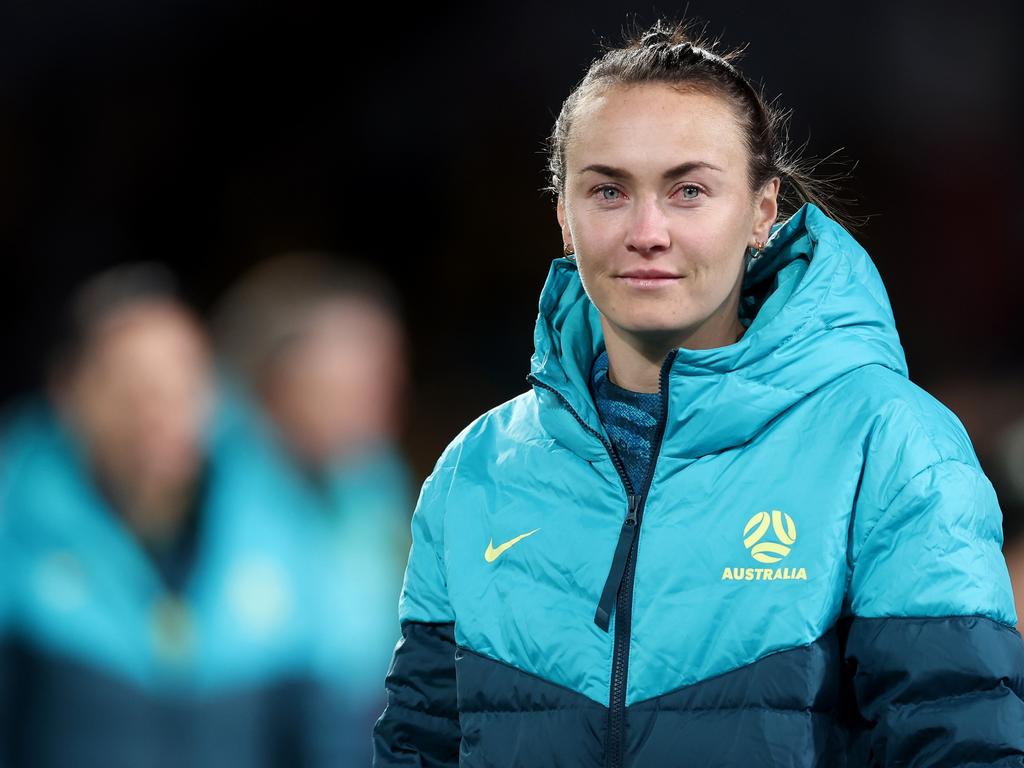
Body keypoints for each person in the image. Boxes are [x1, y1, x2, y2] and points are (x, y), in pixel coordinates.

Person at [372, 19, 1024, 767]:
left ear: (762, 212)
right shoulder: (474, 471)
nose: (647, 231)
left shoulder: (890, 444)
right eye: (609, 190)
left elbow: (965, 746)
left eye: (688, 191)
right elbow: (418, 750)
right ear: (564, 216)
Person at [0, 264, 330, 767]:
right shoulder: (16, 538)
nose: (156, 406)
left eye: (182, 381)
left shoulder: (279, 531)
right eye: (127, 382)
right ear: (67, 392)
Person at [213, 252, 413, 766]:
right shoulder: (207, 473)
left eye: (386, 376)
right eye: (357, 377)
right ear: (280, 379)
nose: (383, 396)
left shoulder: (374, 480)